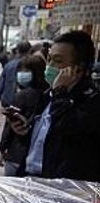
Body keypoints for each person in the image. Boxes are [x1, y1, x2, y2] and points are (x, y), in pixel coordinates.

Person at [6, 31, 100, 181]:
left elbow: (71, 128)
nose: (50, 66)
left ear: (79, 68)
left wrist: (60, 94)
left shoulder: (91, 101)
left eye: (58, 61)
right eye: (49, 59)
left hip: (64, 190)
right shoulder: (48, 95)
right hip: (30, 180)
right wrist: (25, 132)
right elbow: (44, 142)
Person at [0, 55, 49, 175]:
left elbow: (10, 126)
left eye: (26, 71)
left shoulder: (23, 95)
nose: (21, 74)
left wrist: (2, 148)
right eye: (20, 70)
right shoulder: (49, 94)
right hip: (39, 157)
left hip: (17, 153)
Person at [0, 41, 32, 111]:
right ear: (29, 50)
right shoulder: (32, 65)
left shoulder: (9, 65)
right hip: (26, 103)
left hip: (9, 101)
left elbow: (1, 84)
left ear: (17, 51)